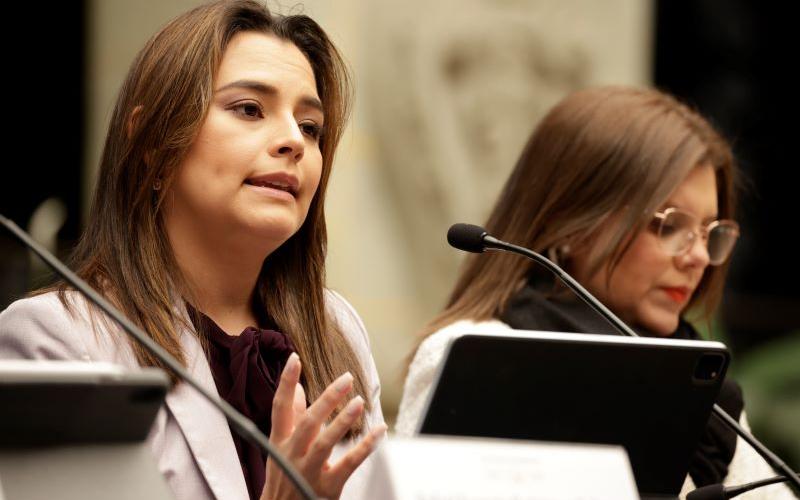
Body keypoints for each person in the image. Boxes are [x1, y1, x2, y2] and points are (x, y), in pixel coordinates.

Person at [0, 2, 386, 499]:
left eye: (311, 126)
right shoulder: (54, 339)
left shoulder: (337, 329)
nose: (294, 140)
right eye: (249, 109)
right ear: (151, 147)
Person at [396, 86, 795, 498]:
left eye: (710, 232)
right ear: (575, 226)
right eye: (670, 225)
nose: (697, 257)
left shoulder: (708, 392)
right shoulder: (475, 351)